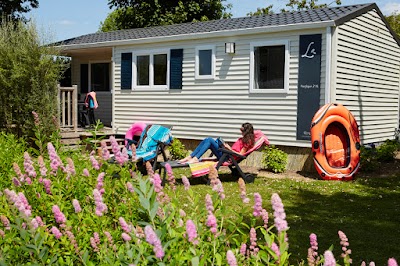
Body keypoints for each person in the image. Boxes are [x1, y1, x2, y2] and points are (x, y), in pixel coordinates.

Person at [179, 122, 255, 164]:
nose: (241, 132)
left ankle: (195, 158)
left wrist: (229, 149)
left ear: (246, 131)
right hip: (226, 153)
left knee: (209, 140)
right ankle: (191, 157)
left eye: (242, 130)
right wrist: (225, 147)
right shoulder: (243, 139)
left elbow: (240, 155)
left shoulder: (247, 142)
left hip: (227, 157)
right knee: (207, 139)